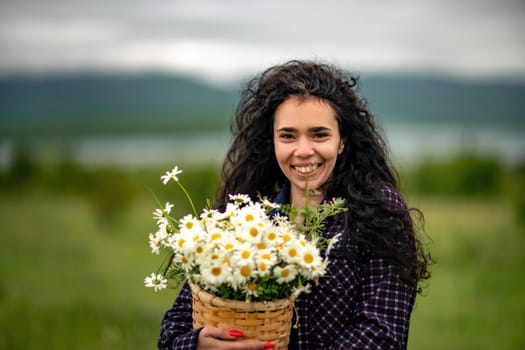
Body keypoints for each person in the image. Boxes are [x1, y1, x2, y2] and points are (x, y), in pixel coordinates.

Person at [158, 60, 432, 349]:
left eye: (319, 134)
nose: (303, 151)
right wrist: (197, 343)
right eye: (288, 135)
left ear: (342, 141)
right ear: (273, 141)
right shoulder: (243, 219)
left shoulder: (379, 210)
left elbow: (382, 333)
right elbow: (172, 330)